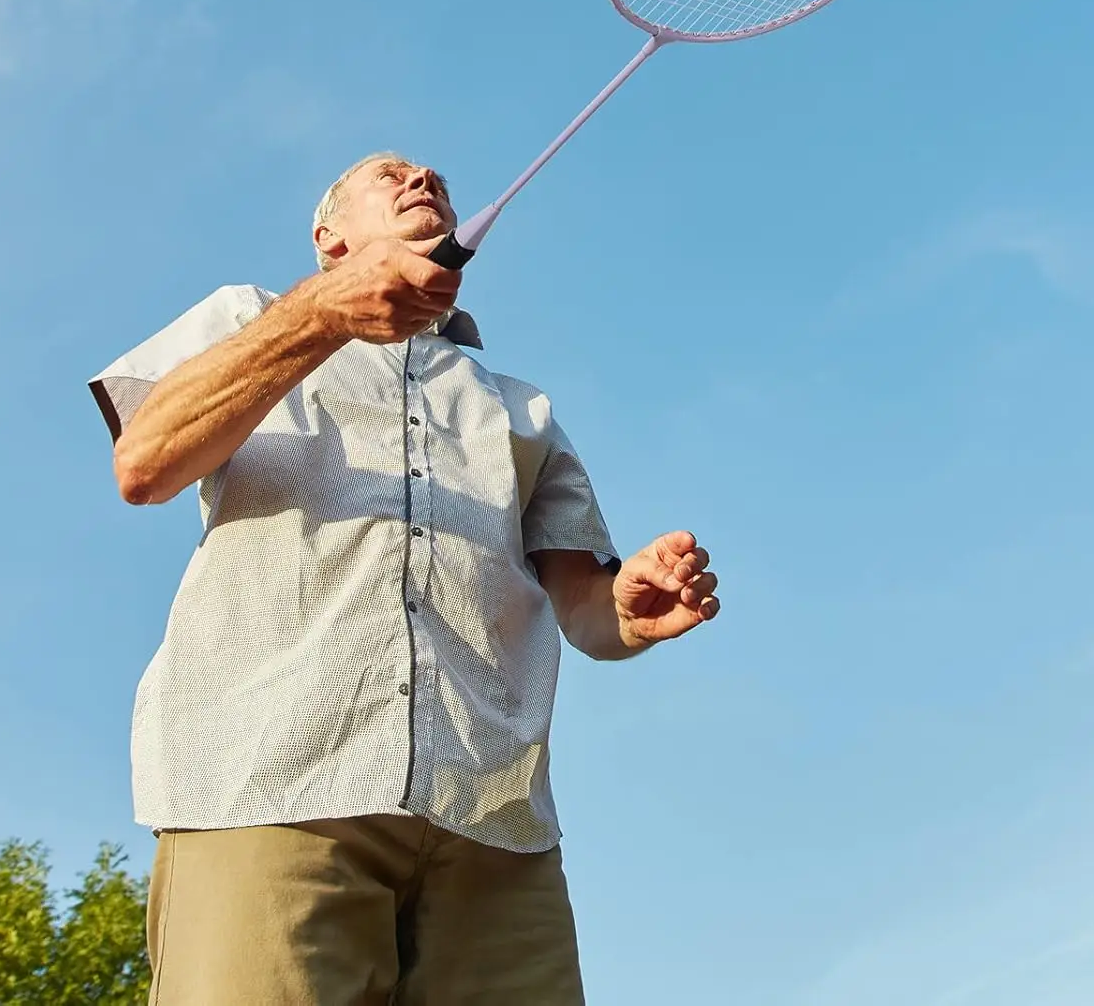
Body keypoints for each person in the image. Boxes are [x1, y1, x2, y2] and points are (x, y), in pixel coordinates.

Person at [89, 153, 720, 1006]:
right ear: (329, 238)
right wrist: (320, 315)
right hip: (269, 785)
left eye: (435, 179)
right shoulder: (248, 316)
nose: (423, 179)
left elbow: (582, 605)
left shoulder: (522, 407)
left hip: (495, 829)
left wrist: (628, 612)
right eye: (390, 175)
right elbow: (146, 461)